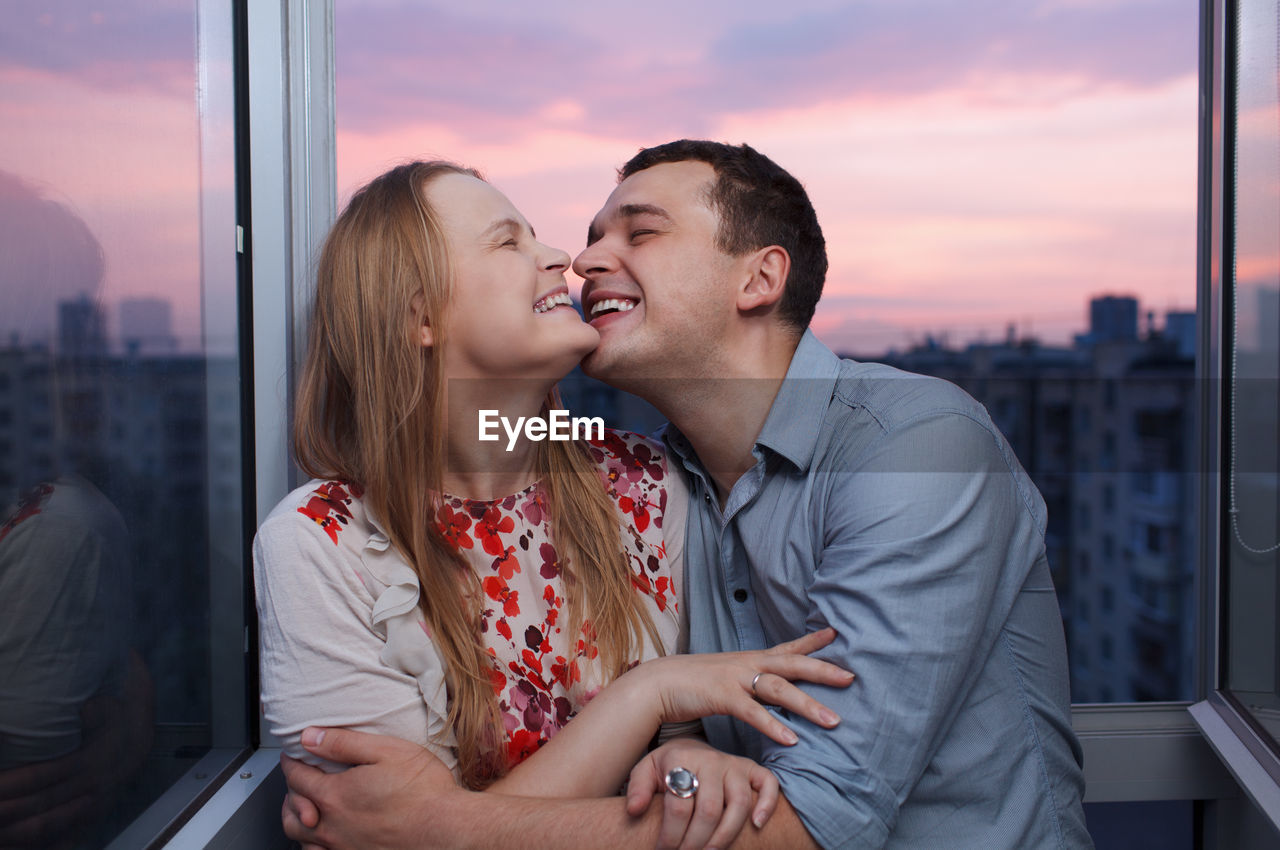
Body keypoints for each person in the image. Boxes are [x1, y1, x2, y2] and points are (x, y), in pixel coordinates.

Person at [282, 143, 1091, 849]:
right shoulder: (671, 477)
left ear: (759, 277)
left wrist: (438, 828)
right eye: (591, 233)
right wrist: (680, 733)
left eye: (640, 232)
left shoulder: (914, 449)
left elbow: (816, 821)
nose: (580, 257)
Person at [255, 161, 855, 849]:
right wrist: (647, 693)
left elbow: (433, 827)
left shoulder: (650, 484)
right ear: (419, 315)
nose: (560, 259)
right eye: (509, 242)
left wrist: (689, 757)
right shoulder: (320, 543)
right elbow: (382, 833)